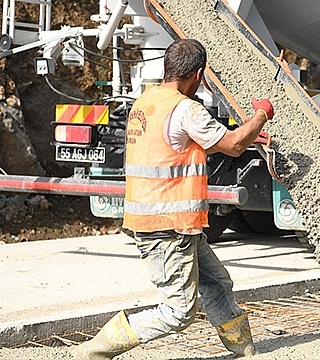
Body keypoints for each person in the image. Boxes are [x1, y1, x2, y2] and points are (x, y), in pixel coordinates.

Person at [75, 38, 273, 359]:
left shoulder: (147, 102)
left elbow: (176, 145)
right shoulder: (186, 109)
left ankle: (246, 351)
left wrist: (241, 132)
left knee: (217, 284)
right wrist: (261, 115)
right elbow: (235, 145)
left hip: (171, 224)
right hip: (168, 227)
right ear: (198, 74)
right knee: (178, 312)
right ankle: (95, 351)